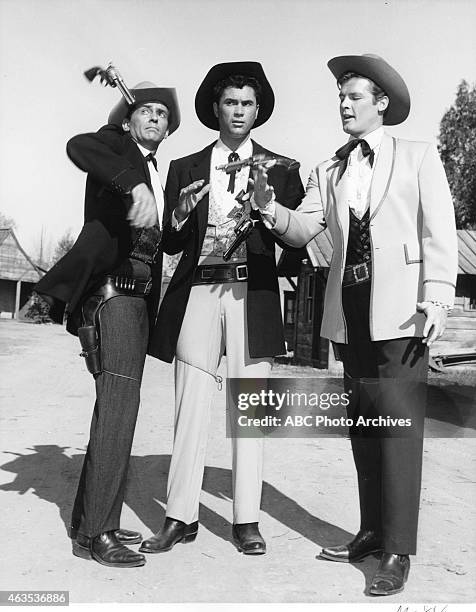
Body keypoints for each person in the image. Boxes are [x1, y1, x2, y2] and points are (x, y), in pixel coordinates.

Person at [252, 54, 457, 595]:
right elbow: (303, 231)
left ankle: (397, 549)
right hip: (351, 312)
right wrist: (270, 208)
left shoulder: (418, 156)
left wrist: (438, 296)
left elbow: (440, 228)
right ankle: (370, 531)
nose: (343, 106)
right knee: (365, 428)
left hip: (403, 312)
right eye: (340, 99)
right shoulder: (331, 167)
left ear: (381, 104)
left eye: (354, 98)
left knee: (399, 433)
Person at [139, 61, 304, 556]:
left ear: (258, 111)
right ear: (215, 109)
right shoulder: (184, 167)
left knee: (249, 407)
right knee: (190, 401)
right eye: (230, 102)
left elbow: (296, 242)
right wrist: (181, 213)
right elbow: (168, 241)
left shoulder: (283, 168)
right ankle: (179, 515)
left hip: (251, 297)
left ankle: (246, 520)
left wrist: (269, 216)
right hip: (198, 294)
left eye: (246, 104)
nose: (238, 111)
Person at [34, 81, 180, 568]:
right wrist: (132, 183)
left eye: (163, 114)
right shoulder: (116, 147)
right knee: (118, 404)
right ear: (129, 119)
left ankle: (91, 525)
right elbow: (78, 146)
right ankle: (98, 533)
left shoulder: (159, 172)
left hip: (140, 300)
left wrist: (171, 210)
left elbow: (163, 241)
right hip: (111, 294)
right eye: (148, 112)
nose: (156, 119)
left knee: (122, 406)